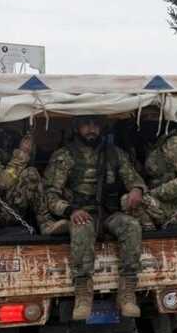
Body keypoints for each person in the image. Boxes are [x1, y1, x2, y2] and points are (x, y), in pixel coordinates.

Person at [44, 116, 147, 320]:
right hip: (80, 212)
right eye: (86, 124)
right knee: (82, 227)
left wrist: (136, 190)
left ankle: (126, 293)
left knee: (132, 226)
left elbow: (133, 179)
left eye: (95, 124)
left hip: (108, 213)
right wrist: (70, 211)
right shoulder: (65, 156)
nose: (91, 129)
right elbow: (50, 194)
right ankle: (83, 294)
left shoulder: (114, 154)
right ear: (77, 127)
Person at [0, 128, 68, 235]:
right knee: (30, 173)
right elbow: (4, 181)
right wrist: (23, 153)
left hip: (8, 208)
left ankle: (46, 222)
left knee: (30, 172)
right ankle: (45, 222)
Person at [127, 130, 177, 229]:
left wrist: (155, 194)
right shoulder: (151, 146)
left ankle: (152, 237)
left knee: (131, 201)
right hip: (163, 205)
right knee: (128, 201)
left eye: (153, 116)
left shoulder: (174, 143)